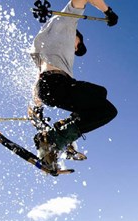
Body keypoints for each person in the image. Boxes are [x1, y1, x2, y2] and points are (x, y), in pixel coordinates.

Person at [29, 0, 119, 156]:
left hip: (47, 89)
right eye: (78, 45)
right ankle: (58, 136)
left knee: (103, 101)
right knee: (104, 103)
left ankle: (59, 137)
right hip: (59, 84)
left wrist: (37, 108)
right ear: (76, 36)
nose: (76, 48)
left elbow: (39, 79)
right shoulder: (68, 22)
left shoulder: (38, 44)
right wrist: (108, 12)